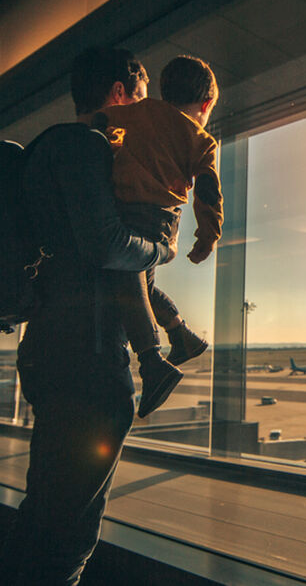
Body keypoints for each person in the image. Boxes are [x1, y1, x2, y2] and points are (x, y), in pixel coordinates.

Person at [0, 46, 178, 584]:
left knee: (45, 513)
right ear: (119, 94)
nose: (143, 112)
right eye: (140, 99)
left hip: (52, 348)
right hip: (88, 359)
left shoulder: (47, 150)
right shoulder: (85, 147)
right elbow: (105, 246)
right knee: (71, 531)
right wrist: (159, 251)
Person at [97, 55, 221, 382]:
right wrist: (208, 237)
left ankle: (155, 357)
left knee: (131, 281)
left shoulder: (139, 112)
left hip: (128, 211)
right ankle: (180, 336)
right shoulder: (202, 140)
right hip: (162, 221)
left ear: (165, 91)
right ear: (206, 104)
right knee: (141, 284)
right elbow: (209, 193)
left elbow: (97, 121)